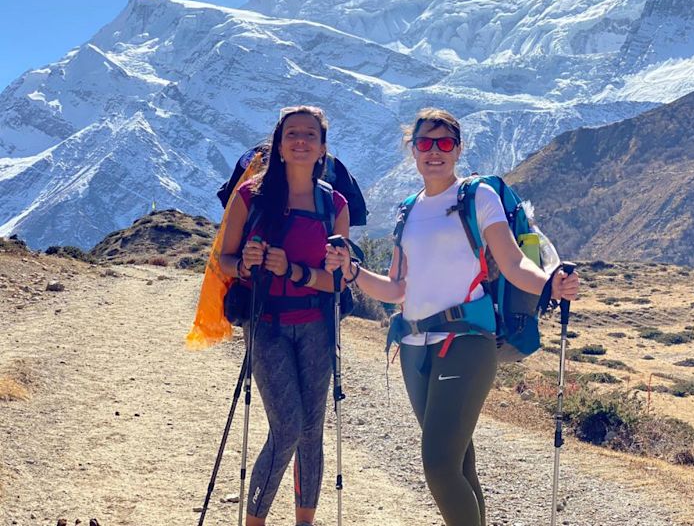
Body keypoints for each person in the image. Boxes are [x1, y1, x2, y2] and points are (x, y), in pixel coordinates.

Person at [325, 108, 579, 526]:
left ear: (458, 149)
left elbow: (513, 265)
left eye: (444, 143)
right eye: (425, 143)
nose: (434, 151)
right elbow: (396, 289)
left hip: (466, 341)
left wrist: (550, 283)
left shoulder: (478, 197)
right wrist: (352, 271)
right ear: (413, 150)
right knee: (458, 464)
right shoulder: (408, 210)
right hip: (412, 346)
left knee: (439, 466)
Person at [220, 106, 349, 526]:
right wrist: (245, 264)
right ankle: (254, 521)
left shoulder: (335, 205)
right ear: (277, 144)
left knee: (312, 432)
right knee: (289, 428)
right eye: (291, 133)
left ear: (322, 148)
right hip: (266, 326)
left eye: (309, 135)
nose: (300, 141)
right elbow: (223, 259)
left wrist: (292, 271)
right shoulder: (250, 196)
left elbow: (339, 282)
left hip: (315, 326)